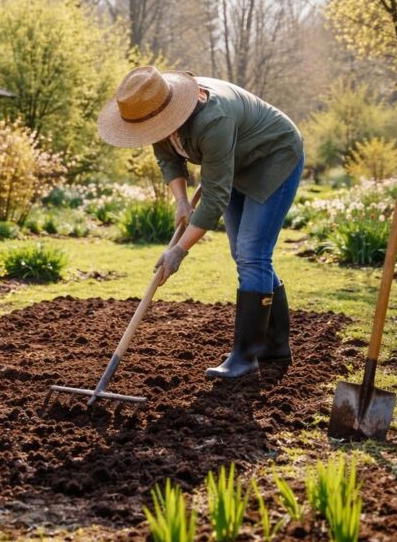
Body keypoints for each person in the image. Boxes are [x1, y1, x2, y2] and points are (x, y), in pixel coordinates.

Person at [97, 66, 305, 379]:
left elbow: (214, 200)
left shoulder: (213, 120)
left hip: (273, 158)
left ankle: (245, 357)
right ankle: (275, 344)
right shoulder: (156, 115)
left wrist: (179, 250)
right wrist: (181, 201)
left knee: (252, 253)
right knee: (246, 255)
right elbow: (168, 159)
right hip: (234, 163)